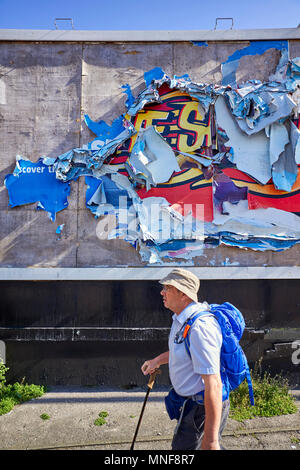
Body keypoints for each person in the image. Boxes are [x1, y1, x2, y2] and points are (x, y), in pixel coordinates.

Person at [141, 268, 230, 451]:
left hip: (201, 410)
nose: (161, 292)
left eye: (167, 288)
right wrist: (157, 360)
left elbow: (213, 384)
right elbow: (183, 351)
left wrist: (211, 441)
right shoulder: (182, 319)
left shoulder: (200, 328)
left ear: (182, 293)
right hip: (190, 406)